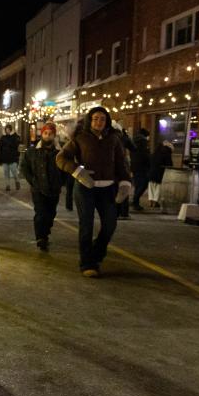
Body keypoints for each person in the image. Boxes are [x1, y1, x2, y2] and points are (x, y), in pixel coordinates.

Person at [56, 106, 132, 278]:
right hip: (85, 188)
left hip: (108, 189)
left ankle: (96, 254)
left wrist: (125, 183)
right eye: (96, 118)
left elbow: (122, 163)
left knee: (110, 224)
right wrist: (77, 172)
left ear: (107, 121)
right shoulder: (80, 138)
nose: (99, 121)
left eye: (103, 119)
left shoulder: (114, 139)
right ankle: (87, 263)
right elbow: (61, 158)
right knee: (86, 225)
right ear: (90, 120)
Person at [20, 122, 66, 251]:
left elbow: (65, 169)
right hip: (38, 188)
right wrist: (33, 181)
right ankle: (41, 237)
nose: (48, 136)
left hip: (54, 189)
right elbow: (25, 167)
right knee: (40, 213)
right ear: (42, 134)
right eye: (46, 133)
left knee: (51, 213)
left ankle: (45, 232)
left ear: (54, 135)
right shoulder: (32, 151)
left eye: (50, 134)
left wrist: (61, 181)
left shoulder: (60, 152)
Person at [147, 140, 174, 208]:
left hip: (151, 172)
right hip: (160, 173)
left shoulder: (155, 152)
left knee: (151, 187)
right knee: (158, 188)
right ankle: (155, 202)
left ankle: (150, 201)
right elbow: (169, 164)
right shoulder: (167, 153)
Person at [116, 126, 135, 220]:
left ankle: (115, 212)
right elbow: (133, 148)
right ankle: (123, 213)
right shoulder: (123, 137)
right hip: (122, 165)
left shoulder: (106, 136)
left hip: (110, 167)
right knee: (124, 188)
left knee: (113, 190)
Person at [130, 128, 151, 211]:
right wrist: (149, 162)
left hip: (135, 165)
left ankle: (136, 202)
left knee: (138, 184)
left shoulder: (134, 140)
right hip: (142, 166)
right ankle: (135, 201)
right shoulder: (143, 141)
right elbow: (145, 155)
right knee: (143, 184)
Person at [0, 124, 22, 191]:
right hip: (5, 158)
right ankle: (7, 185)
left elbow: (18, 143)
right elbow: (0, 148)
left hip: (12, 158)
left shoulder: (14, 137)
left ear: (11, 130)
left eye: (8, 129)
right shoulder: (3, 138)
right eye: (6, 130)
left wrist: (14, 134)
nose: (7, 131)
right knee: (6, 172)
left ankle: (17, 181)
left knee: (14, 171)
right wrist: (0, 158)